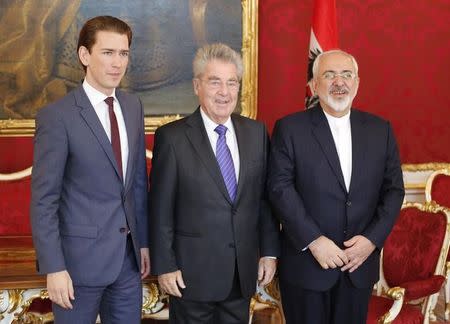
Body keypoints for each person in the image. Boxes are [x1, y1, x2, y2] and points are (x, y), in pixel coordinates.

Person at [268, 49, 405, 324]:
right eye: (329, 75)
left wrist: (371, 240)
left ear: (357, 83)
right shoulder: (290, 128)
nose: (339, 82)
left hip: (358, 266)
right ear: (314, 85)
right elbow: (279, 188)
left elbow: (394, 191)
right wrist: (314, 241)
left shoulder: (381, 130)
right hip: (307, 267)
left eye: (347, 75)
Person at [148, 43, 280, 324]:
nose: (225, 92)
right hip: (190, 276)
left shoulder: (256, 133)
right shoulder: (172, 138)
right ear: (197, 86)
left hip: (241, 273)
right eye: (215, 82)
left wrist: (269, 252)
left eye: (232, 82)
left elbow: (264, 201)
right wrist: (165, 266)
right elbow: (160, 209)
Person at [30, 16, 149, 324]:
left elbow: (136, 185)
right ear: (85, 56)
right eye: (107, 52)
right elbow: (44, 200)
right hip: (76, 267)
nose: (117, 63)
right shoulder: (57, 117)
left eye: (123, 53)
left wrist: (144, 243)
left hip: (127, 264)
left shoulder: (133, 107)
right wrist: (54, 267)